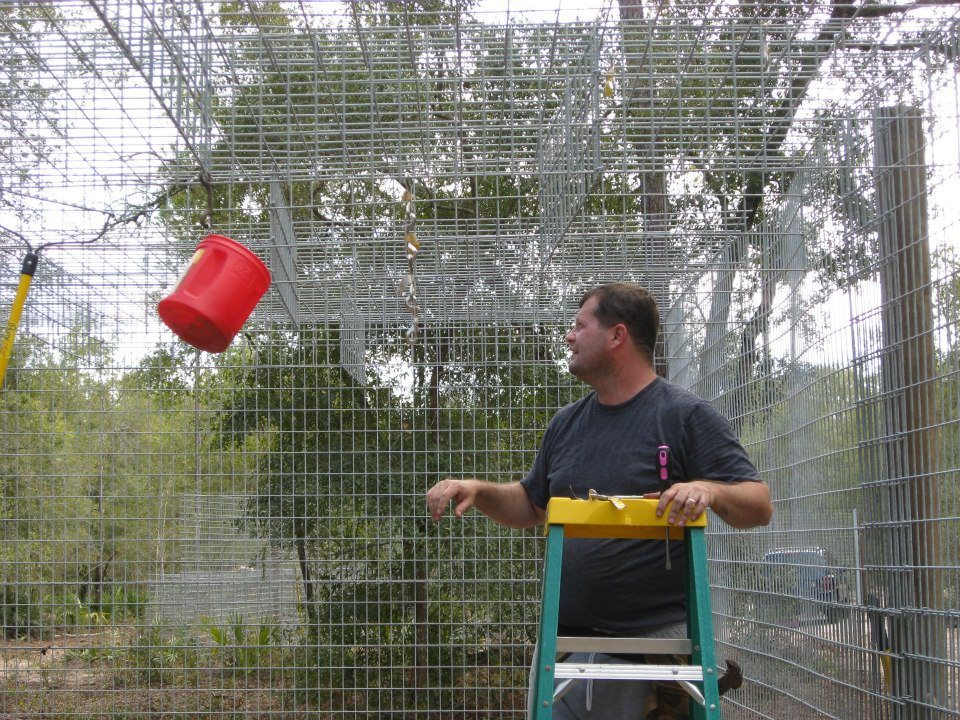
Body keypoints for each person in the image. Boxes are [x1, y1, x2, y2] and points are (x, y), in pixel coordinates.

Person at [425, 282, 773, 719]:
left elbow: (759, 504)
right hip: (563, 647)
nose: (569, 336)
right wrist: (478, 491)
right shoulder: (566, 424)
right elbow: (531, 505)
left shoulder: (685, 415)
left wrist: (710, 489)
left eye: (580, 325)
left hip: (654, 650)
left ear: (617, 335)